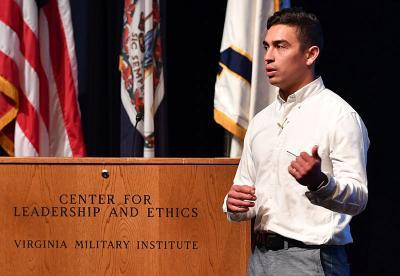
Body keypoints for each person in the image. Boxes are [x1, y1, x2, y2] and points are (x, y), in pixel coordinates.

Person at [222, 8, 369, 276]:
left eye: (281, 46)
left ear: (310, 54)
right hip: (260, 257)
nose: (268, 56)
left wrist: (319, 182)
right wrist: (233, 204)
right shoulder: (261, 121)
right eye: (266, 46)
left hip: (311, 259)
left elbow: (358, 198)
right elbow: (244, 189)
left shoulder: (339, 116)